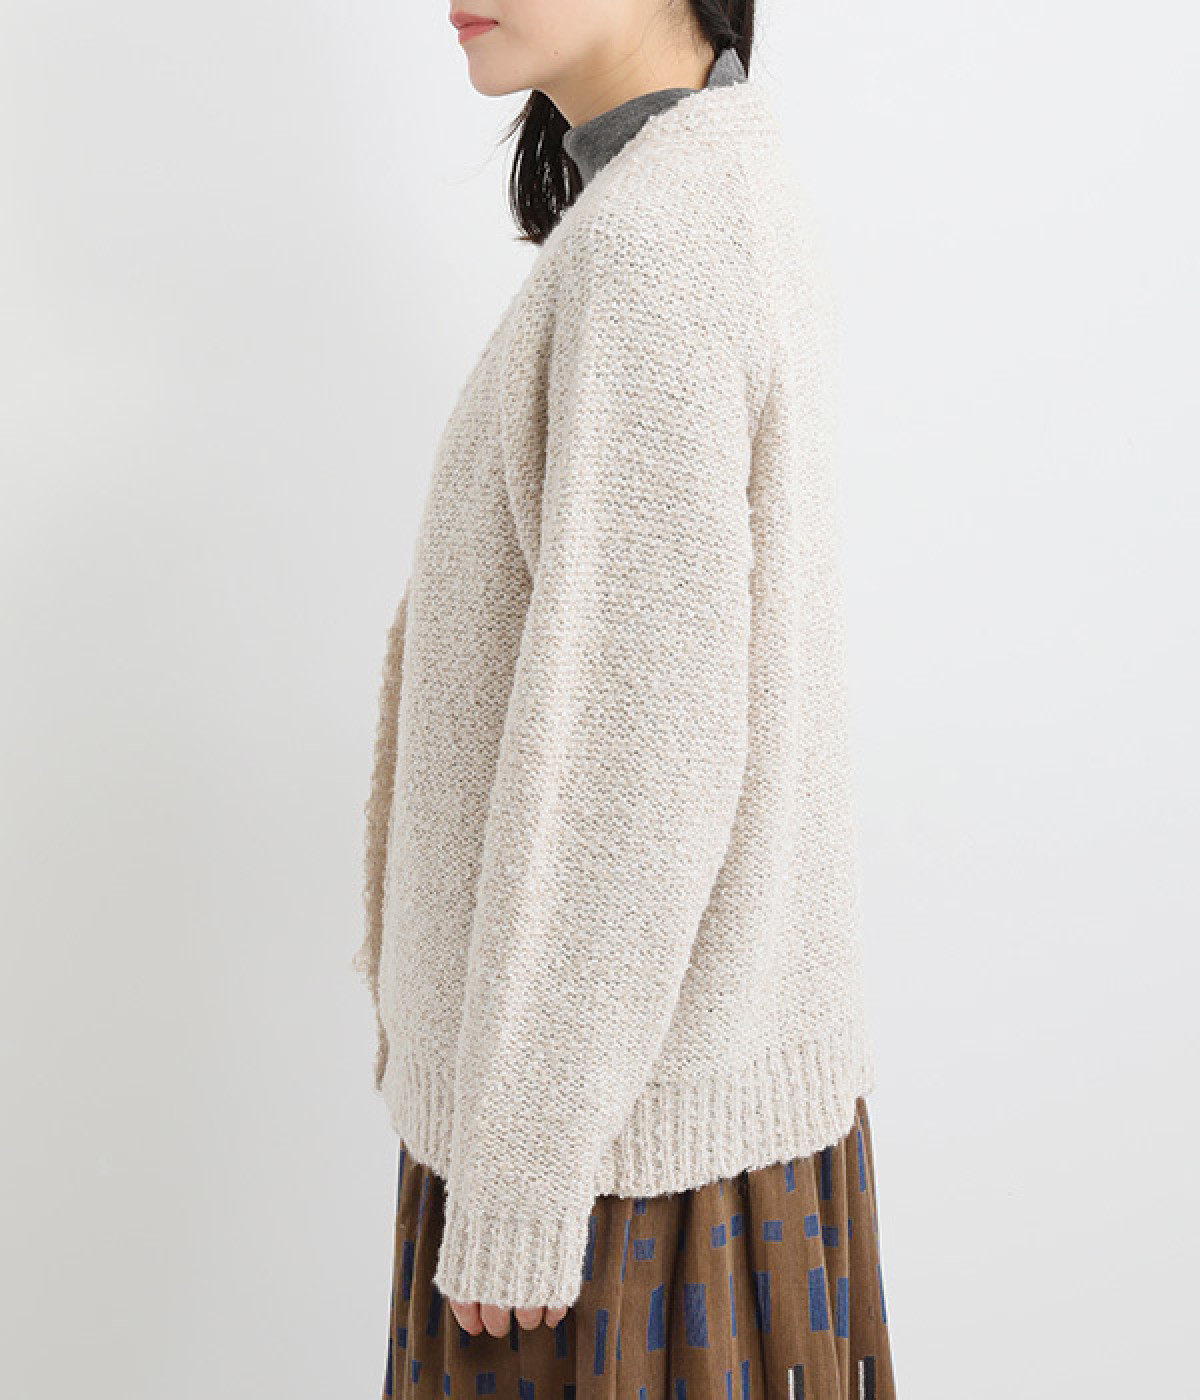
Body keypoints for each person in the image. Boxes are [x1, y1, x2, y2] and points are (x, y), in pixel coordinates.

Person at [352, 2, 898, 1395]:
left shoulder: (653, 249)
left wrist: (521, 1181)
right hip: (663, 1121)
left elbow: (633, 769)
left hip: (611, 1188)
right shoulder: (716, 186)